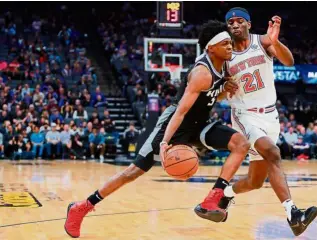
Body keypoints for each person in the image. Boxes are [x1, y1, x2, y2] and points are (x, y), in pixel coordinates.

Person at [64, 20, 250, 238]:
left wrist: (223, 91)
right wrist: (164, 142)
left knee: (241, 144)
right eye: (225, 43)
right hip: (176, 124)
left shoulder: (224, 67)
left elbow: (209, 97)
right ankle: (81, 207)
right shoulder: (202, 73)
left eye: (230, 42)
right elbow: (180, 112)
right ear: (211, 48)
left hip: (200, 124)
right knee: (133, 172)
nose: (230, 46)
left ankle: (212, 199)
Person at [217, 8, 317, 237]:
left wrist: (276, 41)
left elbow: (289, 61)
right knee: (273, 153)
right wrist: (223, 88)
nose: (234, 24)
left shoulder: (262, 42)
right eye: (230, 22)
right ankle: (294, 215)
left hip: (271, 117)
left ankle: (226, 195)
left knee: (255, 181)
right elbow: (220, 94)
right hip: (244, 116)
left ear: (249, 24)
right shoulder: (224, 55)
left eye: (239, 20)